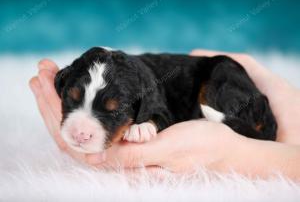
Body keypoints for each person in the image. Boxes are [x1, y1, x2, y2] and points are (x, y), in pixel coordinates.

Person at [29, 49, 300, 179]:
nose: (81, 129)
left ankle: (239, 124)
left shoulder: (146, 93)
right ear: (63, 84)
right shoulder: (131, 84)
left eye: (111, 112)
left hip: (217, 73)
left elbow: (161, 113)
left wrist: (150, 123)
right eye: (72, 102)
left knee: (219, 77)